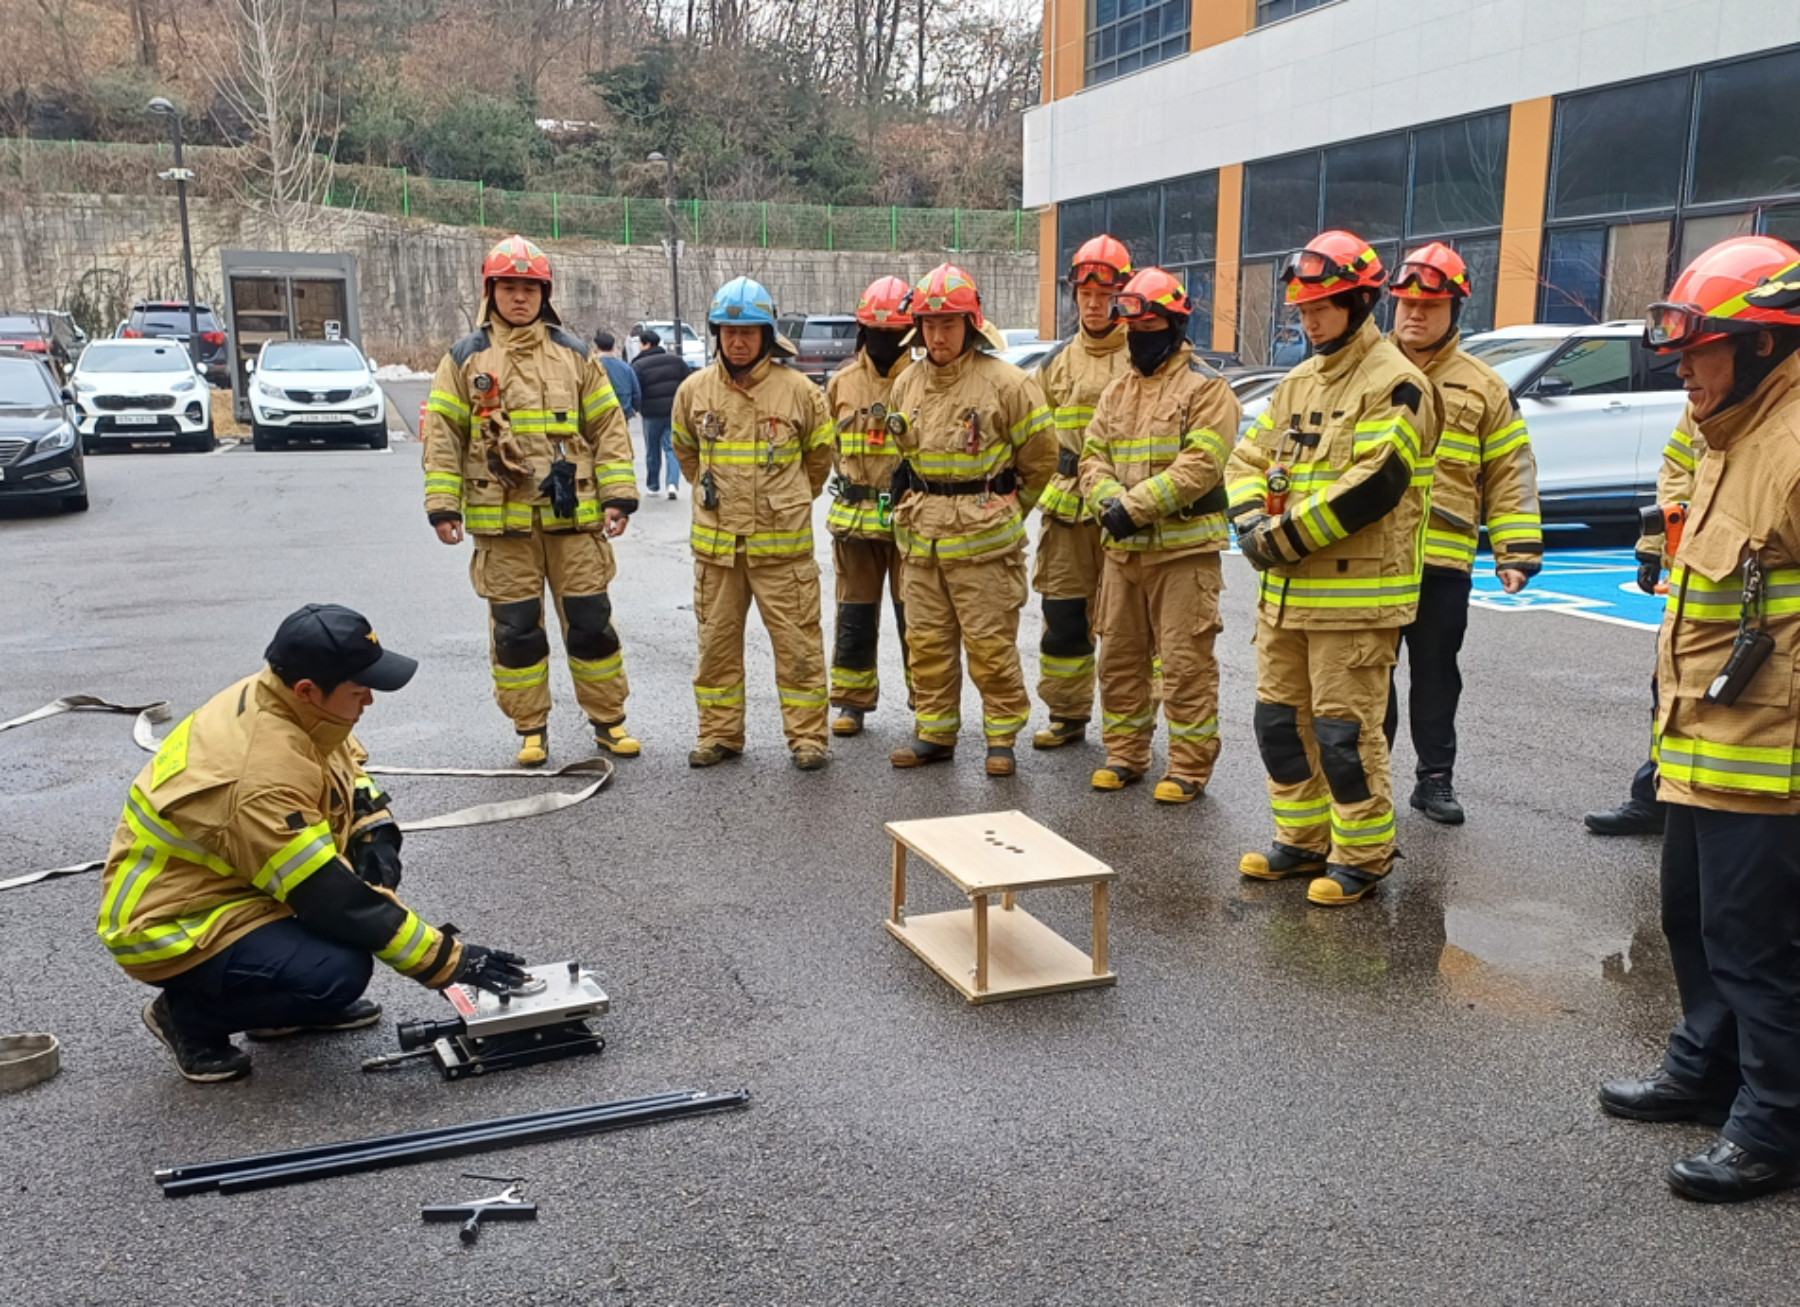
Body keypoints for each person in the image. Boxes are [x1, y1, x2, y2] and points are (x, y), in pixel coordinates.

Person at [98, 605, 530, 1083]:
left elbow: (342, 768)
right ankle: (186, 1018)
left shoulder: (289, 702)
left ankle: (277, 1009)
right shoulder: (256, 773)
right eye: (358, 689)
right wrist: (450, 961)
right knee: (336, 972)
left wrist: (374, 832)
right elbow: (333, 900)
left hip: (240, 885)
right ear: (308, 689)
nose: (369, 699)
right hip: (174, 923)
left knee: (341, 943)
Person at [1596, 235, 1800, 1203]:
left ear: (1761, 344)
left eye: (1700, 348)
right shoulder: (1727, 435)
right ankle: (1705, 1064)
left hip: (1773, 754)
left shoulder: (1793, 445)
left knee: (1758, 941)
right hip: (1703, 742)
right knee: (1691, 915)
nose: (1683, 369)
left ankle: (1775, 1119)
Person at [1224, 229, 1442, 906]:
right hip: (1285, 599)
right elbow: (1245, 461)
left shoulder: (1398, 384)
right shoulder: (1296, 382)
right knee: (1278, 726)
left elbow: (1372, 485)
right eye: (1302, 309)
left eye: (1321, 307)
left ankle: (1363, 855)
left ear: (1357, 301)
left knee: (1345, 737)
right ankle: (1301, 840)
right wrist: (1251, 522)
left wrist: (1276, 538)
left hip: (1355, 602)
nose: (1309, 320)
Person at [422, 235, 642, 768]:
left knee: (591, 623)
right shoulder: (464, 358)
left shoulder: (573, 354)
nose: (519, 298)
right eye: (509, 287)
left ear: (544, 294)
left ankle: (608, 723)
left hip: (574, 519)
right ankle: (530, 728)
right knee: (516, 630)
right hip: (504, 526)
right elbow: (444, 436)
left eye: (530, 288)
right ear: (490, 291)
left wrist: (618, 496)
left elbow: (608, 426)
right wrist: (443, 505)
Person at [1380, 242, 1543, 824]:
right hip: (1373, 558)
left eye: (1430, 305)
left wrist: (1517, 550)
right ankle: (1370, 781)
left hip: (1441, 563)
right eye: (1405, 304)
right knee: (1369, 676)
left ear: (1456, 309)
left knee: (1435, 676)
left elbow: (1509, 471)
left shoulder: (1483, 385)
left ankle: (1435, 780)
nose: (1415, 315)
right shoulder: (1368, 372)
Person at [885, 263, 1056, 777]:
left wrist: (1006, 508)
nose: (938, 335)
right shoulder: (907, 384)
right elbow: (903, 457)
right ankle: (934, 732)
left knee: (989, 645)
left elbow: (1041, 460)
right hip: (921, 541)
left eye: (949, 324)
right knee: (927, 643)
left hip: (984, 544)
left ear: (972, 325)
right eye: (930, 325)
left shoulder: (1009, 384)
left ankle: (1000, 738)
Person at [1078, 266, 1239, 803]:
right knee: (1119, 657)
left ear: (1175, 327)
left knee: (1185, 663)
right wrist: (1106, 502)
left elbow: (1202, 465)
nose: (1142, 341)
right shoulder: (1116, 392)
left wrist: (1134, 508)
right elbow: (1092, 455)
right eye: (1136, 331)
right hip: (1122, 555)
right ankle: (1125, 754)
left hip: (1183, 554)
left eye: (1152, 329)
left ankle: (1190, 767)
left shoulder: (1208, 391)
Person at [671, 276, 835, 771]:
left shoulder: (801, 393)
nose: (737, 342)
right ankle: (719, 734)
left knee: (798, 644)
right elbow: (685, 451)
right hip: (717, 551)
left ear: (767, 335)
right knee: (715, 646)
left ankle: (808, 739)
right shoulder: (693, 391)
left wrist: (784, 501)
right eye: (727, 332)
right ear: (716, 333)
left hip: (781, 551)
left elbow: (819, 459)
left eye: (748, 333)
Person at [1029, 234, 1134, 751]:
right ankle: (1067, 715)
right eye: (1085, 295)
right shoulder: (1056, 363)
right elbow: (1028, 431)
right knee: (1064, 615)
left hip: (1121, 505)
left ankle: (1131, 725)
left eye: (1104, 295)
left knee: (1127, 625)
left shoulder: (1142, 354)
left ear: (1122, 294)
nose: (1093, 305)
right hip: (1067, 504)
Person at [1583, 407, 1700, 836]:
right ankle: (1656, 795)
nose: (1685, 371)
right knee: (1668, 687)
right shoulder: (1707, 398)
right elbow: (1676, 471)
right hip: (1696, 576)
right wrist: (1653, 545)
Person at [823, 275, 915, 737]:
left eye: (893, 332)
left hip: (908, 523)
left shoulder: (921, 382)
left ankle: (929, 705)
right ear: (861, 332)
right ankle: (852, 703)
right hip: (855, 524)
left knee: (916, 618)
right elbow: (819, 452)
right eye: (874, 331)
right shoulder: (840, 384)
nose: (883, 341)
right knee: (854, 616)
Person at [633, 328, 690, 500]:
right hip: (673, 411)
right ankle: (672, 483)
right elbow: (687, 383)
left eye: (640, 344)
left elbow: (636, 390)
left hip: (651, 414)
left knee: (652, 449)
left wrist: (637, 407)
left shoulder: (638, 365)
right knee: (671, 447)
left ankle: (652, 484)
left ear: (646, 344)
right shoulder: (676, 361)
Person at [592, 330, 642, 421]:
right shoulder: (626, 368)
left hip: (598, 416)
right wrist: (633, 409)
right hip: (622, 414)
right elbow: (636, 392)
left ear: (596, 348)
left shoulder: (591, 367)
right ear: (613, 347)